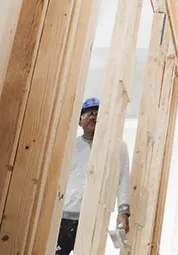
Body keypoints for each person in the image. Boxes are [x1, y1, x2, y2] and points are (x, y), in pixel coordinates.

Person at [55, 97, 131, 255]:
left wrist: (123, 212)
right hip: (64, 217)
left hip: (94, 218)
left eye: (97, 113)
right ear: (79, 122)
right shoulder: (70, 146)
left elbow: (123, 179)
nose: (93, 116)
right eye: (87, 114)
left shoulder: (117, 147)